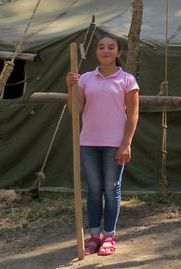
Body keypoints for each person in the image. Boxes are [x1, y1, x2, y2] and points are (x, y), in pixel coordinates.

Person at [66, 35, 140, 256]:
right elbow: (75, 110)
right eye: (101, 47)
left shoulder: (127, 80)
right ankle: (94, 236)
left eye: (110, 47)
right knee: (94, 191)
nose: (105, 50)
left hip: (114, 144)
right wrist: (70, 87)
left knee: (111, 189)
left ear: (118, 53)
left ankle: (109, 235)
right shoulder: (86, 78)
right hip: (88, 142)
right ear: (96, 52)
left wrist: (126, 143)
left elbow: (133, 114)